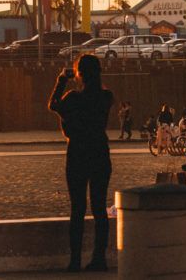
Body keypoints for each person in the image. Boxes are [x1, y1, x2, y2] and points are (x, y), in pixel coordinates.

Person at [49, 54, 113, 273]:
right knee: (99, 208)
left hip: (77, 152)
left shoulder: (73, 98)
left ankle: (75, 260)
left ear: (79, 73)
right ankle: (99, 258)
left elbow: (53, 105)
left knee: (77, 209)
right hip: (100, 151)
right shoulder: (106, 96)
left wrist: (61, 80)